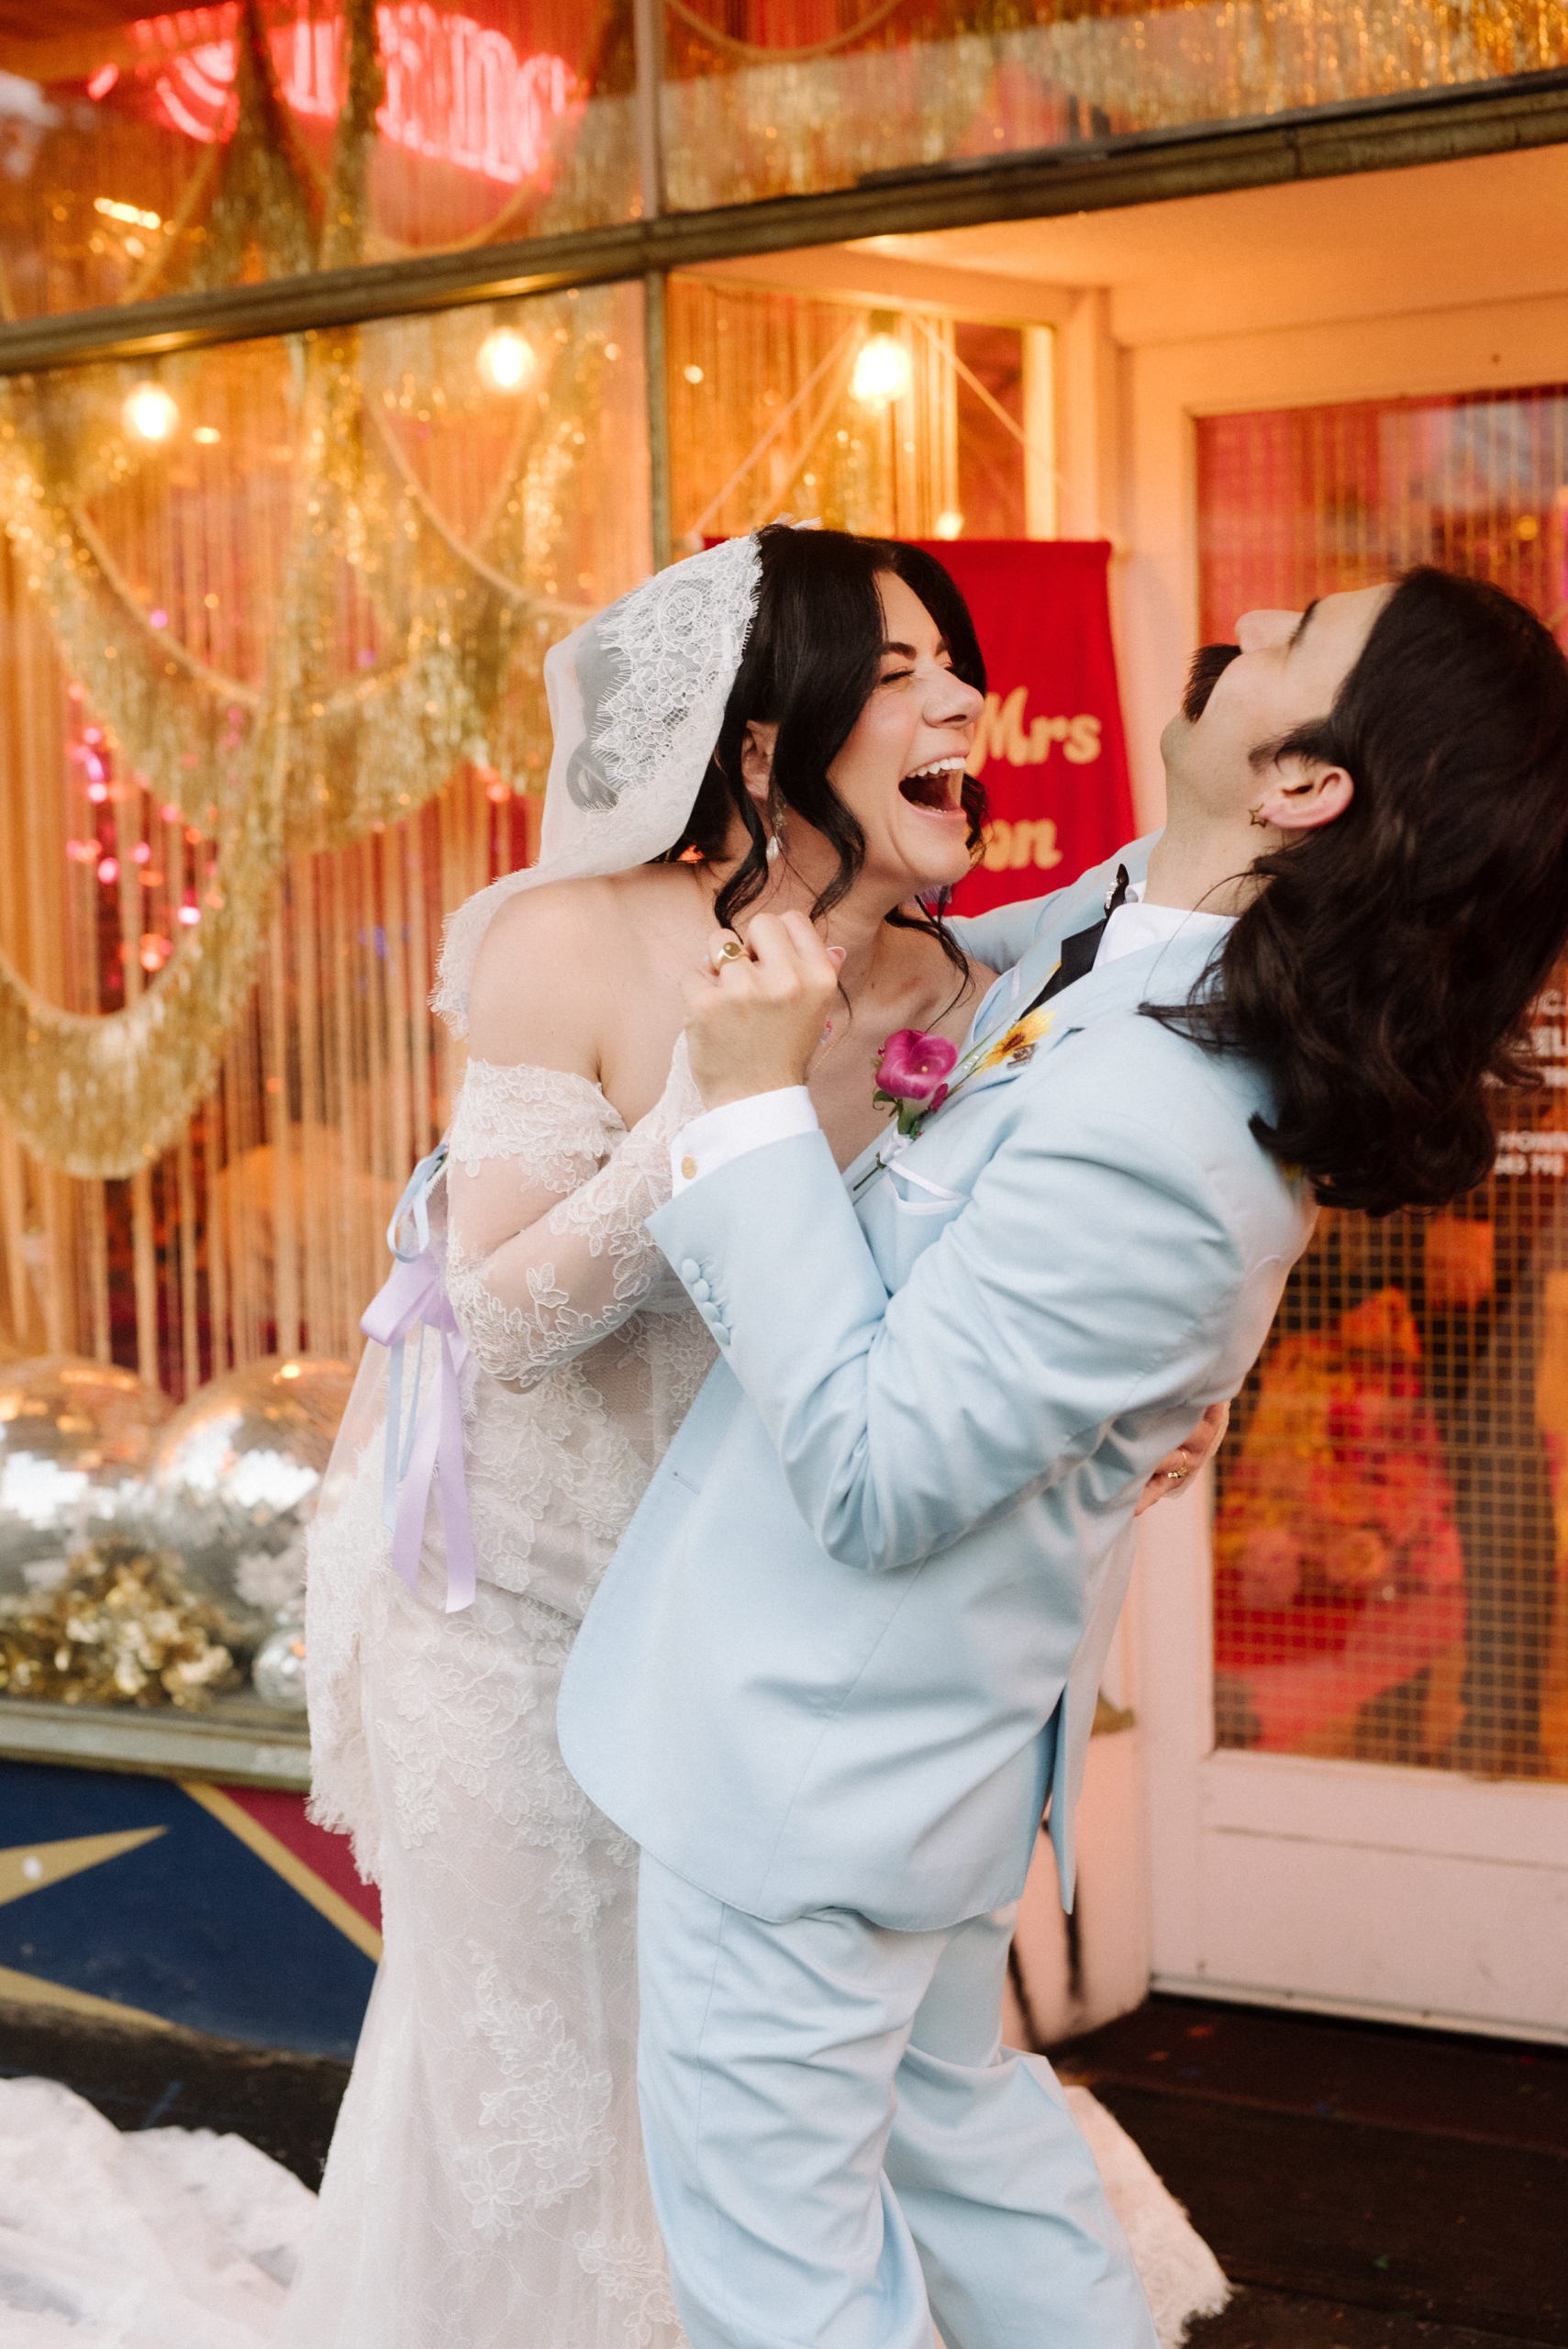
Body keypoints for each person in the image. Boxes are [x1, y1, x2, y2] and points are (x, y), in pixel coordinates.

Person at [557, 568, 1568, 2349]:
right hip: (901, 1768)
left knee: (783, 2292)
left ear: (1306, 784)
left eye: (1299, 638)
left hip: (811, 1777)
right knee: (984, 2162)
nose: (1247, 626)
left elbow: (873, 1471)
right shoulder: (1140, 931)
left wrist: (741, 1110)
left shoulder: (1171, 1127)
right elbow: (974, 967)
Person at [284, 525, 1210, 2349]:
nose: (963, 696)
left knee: (762, 2090)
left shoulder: (953, 994)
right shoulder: (575, 937)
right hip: (522, 1612)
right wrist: (724, 1091)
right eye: (898, 670)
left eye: (962, 662)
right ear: (769, 743)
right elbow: (507, 1317)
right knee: (549, 2077)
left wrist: (1161, 1389)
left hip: (742, 1629)